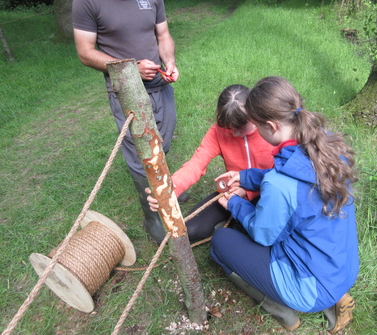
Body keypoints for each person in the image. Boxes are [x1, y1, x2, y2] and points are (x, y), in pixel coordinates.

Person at [210, 77, 359, 333]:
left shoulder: (281, 186)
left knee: (221, 241)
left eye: (257, 127)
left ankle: (282, 311)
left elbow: (264, 234)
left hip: (309, 288)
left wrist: (235, 203)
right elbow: (292, 173)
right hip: (343, 268)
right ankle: (334, 298)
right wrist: (244, 176)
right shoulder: (325, 141)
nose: (256, 131)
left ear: (270, 125)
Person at [71, 0, 186, 244]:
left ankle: (165, 191)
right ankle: (152, 218)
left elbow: (163, 34)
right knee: (138, 155)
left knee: (162, 143)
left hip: (160, 87)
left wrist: (170, 60)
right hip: (126, 90)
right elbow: (85, 52)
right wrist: (132, 68)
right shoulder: (86, 2)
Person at [146, 84, 275, 243]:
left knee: (264, 236)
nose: (235, 133)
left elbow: (281, 176)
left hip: (269, 192)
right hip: (231, 193)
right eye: (229, 128)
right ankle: (231, 221)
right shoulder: (217, 131)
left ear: (254, 116)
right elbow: (196, 164)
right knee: (191, 230)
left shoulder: (270, 132)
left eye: (241, 128)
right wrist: (171, 188)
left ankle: (236, 225)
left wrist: (247, 191)